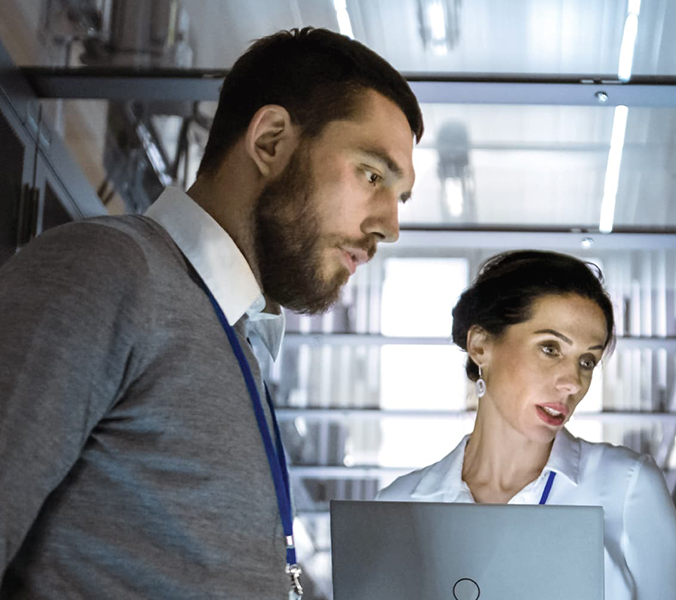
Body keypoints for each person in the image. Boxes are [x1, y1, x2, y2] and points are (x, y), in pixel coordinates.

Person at [0, 27, 422, 599]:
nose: (388, 227)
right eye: (372, 175)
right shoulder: (108, 270)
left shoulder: (236, 338)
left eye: (399, 199)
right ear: (271, 141)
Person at [378, 250, 676, 599]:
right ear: (480, 345)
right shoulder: (398, 508)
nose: (572, 381)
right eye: (550, 348)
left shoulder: (627, 487)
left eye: (587, 361)